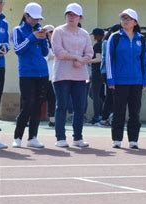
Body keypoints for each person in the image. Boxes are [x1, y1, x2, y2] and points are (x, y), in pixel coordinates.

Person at [51, 3, 93, 148]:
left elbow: (89, 53)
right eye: (69, 14)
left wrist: (81, 62)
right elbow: (59, 52)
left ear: (80, 17)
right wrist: (77, 58)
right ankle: (60, 138)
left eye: (74, 15)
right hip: (61, 74)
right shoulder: (58, 31)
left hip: (80, 75)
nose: (71, 17)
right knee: (61, 106)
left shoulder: (85, 34)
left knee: (80, 107)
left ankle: (78, 138)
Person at [106, 8, 146, 149]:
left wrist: (145, 81)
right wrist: (111, 80)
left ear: (135, 22)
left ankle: (133, 140)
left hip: (136, 82)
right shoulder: (115, 37)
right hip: (119, 82)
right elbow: (109, 59)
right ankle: (117, 139)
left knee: (135, 112)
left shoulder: (141, 39)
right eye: (123, 18)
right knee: (119, 111)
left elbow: (145, 61)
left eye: (128, 18)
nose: (125, 21)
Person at [11, 2, 49, 149]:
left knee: (38, 106)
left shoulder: (40, 30)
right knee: (27, 105)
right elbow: (18, 50)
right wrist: (32, 37)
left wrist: (44, 39)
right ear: (25, 16)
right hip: (26, 73)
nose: (36, 21)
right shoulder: (18, 30)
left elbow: (45, 53)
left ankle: (33, 137)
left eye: (38, 19)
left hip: (42, 73)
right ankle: (17, 137)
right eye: (33, 18)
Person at [99, 24, 119, 127]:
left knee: (110, 96)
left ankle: (106, 117)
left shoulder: (107, 41)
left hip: (107, 72)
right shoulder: (108, 42)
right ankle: (107, 117)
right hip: (108, 72)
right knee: (112, 96)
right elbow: (111, 58)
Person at [89, 27, 105, 125]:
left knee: (94, 95)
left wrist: (87, 60)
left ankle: (97, 117)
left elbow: (98, 59)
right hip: (99, 73)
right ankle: (102, 112)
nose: (93, 36)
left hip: (97, 73)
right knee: (93, 94)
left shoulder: (97, 45)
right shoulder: (103, 44)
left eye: (94, 35)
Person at [0, 0, 9, 149]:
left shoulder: (4, 23)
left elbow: (7, 42)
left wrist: (4, 48)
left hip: (0, 65)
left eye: (1, 2)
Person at [43, 24, 56, 127]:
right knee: (39, 98)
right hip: (44, 75)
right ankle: (29, 119)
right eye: (51, 32)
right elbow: (43, 56)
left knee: (52, 98)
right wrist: (51, 56)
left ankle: (52, 120)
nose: (52, 34)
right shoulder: (42, 43)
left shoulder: (56, 43)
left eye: (53, 31)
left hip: (53, 76)